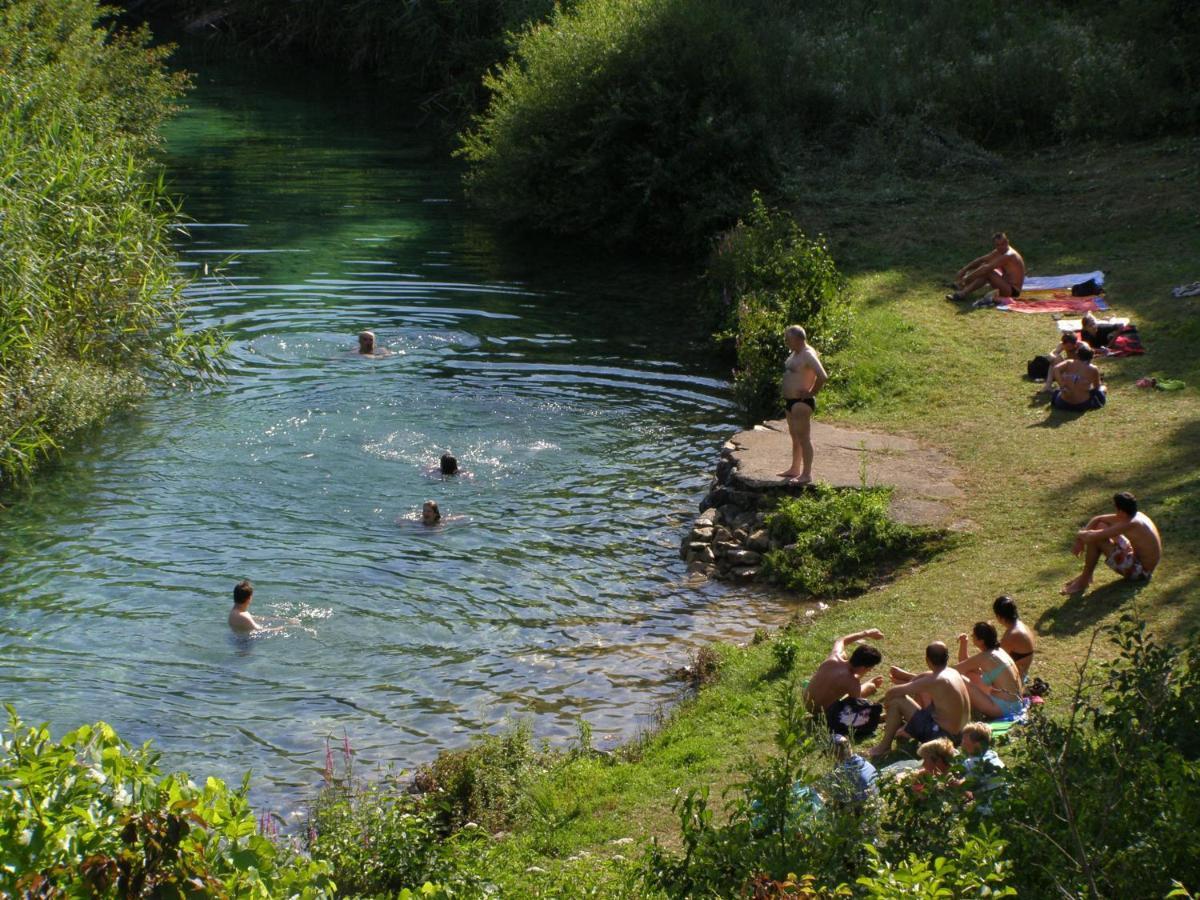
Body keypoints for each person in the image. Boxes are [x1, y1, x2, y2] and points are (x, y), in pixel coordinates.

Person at [867, 642, 971, 759]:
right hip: (962, 734)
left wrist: (887, 706)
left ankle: (883, 747)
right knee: (920, 692)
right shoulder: (953, 672)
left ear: (927, 660)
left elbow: (892, 692)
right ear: (947, 657)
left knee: (897, 701)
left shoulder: (934, 681)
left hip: (943, 737)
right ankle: (907, 729)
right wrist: (910, 678)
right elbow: (924, 678)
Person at [1062, 491, 1162, 595]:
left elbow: (1092, 536)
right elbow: (1098, 519)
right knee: (1101, 525)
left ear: (1122, 511)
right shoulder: (1136, 515)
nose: (1115, 512)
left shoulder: (1130, 523)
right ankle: (1087, 576)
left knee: (1097, 539)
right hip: (1134, 555)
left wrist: (1079, 535)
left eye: (1116, 508)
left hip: (1141, 571)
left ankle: (1084, 579)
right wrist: (1080, 541)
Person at [804, 629, 885, 737]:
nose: (870, 670)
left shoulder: (834, 657)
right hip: (823, 714)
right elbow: (855, 705)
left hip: (806, 702)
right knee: (869, 690)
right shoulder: (853, 683)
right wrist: (869, 685)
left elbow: (841, 640)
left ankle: (869, 685)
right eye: (870, 668)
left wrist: (867, 633)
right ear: (864, 667)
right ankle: (872, 691)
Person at [777, 325, 828, 484]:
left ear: (798, 339)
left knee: (804, 438)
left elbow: (822, 376)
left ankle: (806, 474)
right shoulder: (795, 353)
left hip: (801, 402)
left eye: (788, 339)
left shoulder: (808, 354)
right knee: (795, 437)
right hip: (790, 402)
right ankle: (795, 469)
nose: (786, 342)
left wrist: (811, 392)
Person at [955, 622, 1024, 720]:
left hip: (1003, 708)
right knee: (970, 674)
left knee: (959, 679)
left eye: (973, 635)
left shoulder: (986, 657)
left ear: (981, 641)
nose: (971, 636)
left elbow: (954, 671)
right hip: (1017, 704)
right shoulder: (999, 651)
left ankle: (951, 712)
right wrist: (964, 643)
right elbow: (967, 666)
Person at [947, 232, 1026, 303]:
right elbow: (982, 259)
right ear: (995, 245)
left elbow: (986, 269)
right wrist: (964, 269)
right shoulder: (999, 251)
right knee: (985, 269)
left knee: (988, 272)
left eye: (1003, 243)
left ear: (1007, 242)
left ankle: (962, 291)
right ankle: (963, 291)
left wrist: (966, 279)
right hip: (1005, 285)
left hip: (1013, 291)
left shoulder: (1009, 255)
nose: (1001, 247)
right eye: (998, 245)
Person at [1046, 345, 1106, 411]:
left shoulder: (1068, 362)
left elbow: (1055, 368)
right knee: (1102, 389)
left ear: (1077, 355)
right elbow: (1096, 387)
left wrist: (1062, 385)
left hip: (1062, 403)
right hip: (1081, 405)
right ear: (1092, 357)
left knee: (1057, 391)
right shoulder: (1093, 368)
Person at [826, 734, 879, 805]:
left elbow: (836, 801)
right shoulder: (863, 761)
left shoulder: (840, 773)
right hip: (877, 798)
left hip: (862, 809)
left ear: (833, 754)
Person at [993, 596, 1035, 680]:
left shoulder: (1011, 635)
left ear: (999, 617)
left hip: (1014, 680)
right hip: (1022, 673)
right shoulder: (1022, 626)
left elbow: (997, 660)